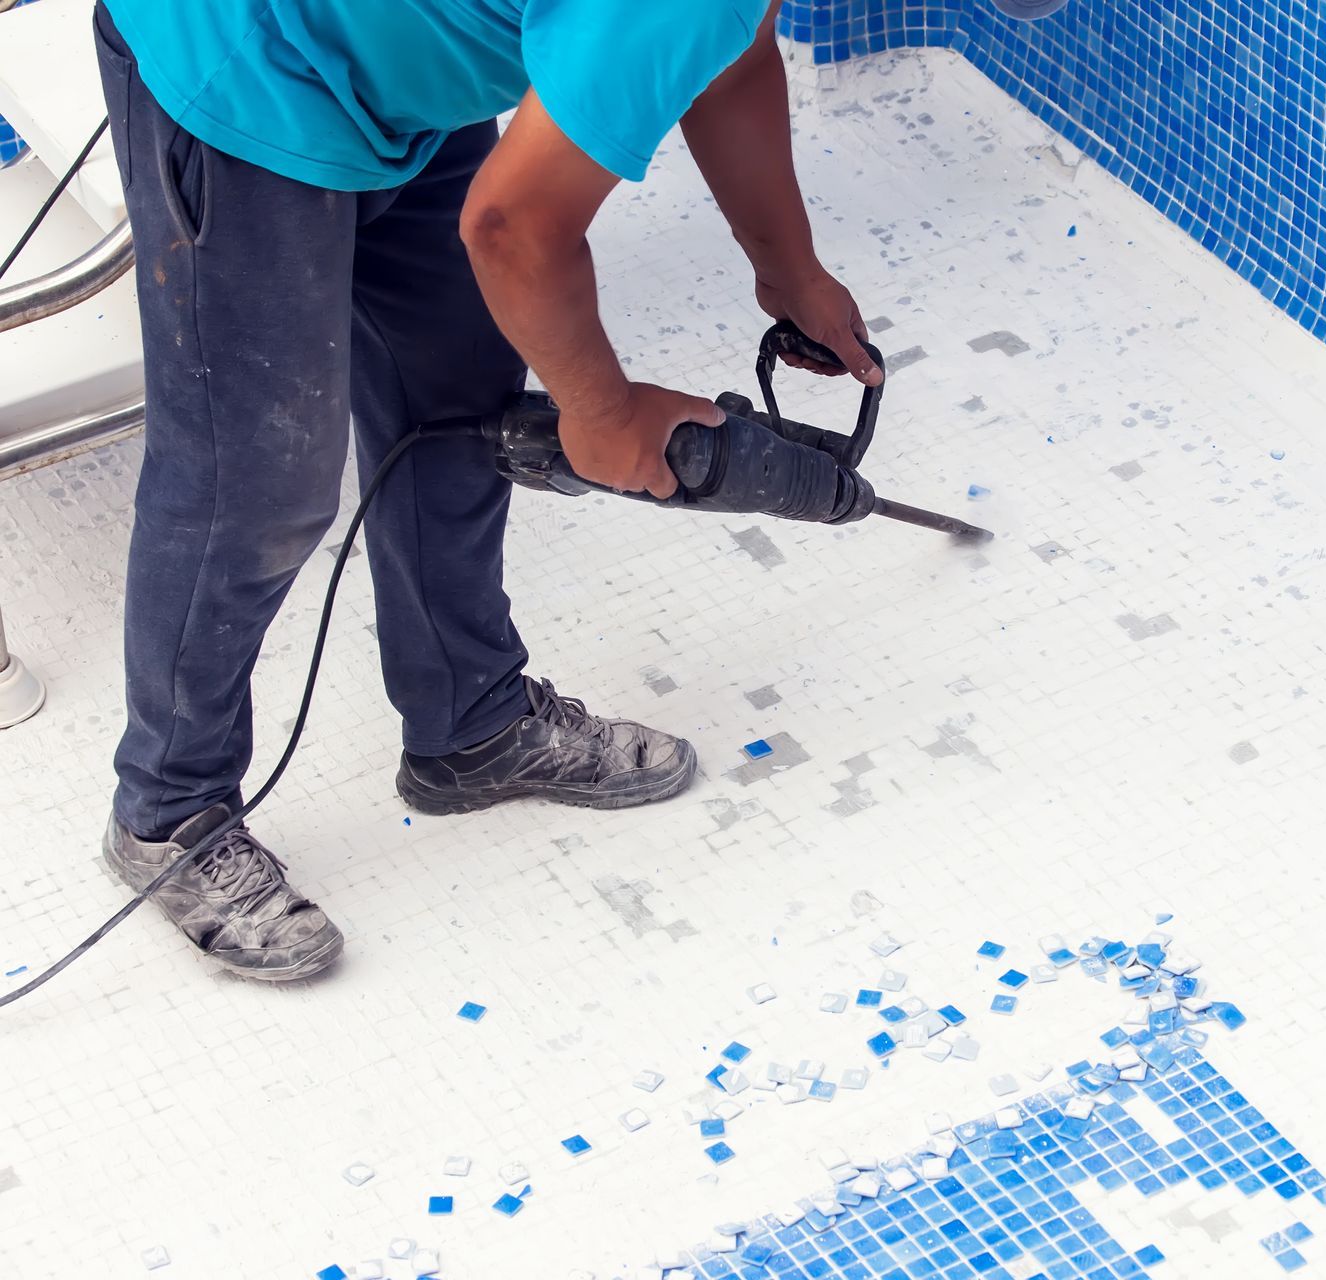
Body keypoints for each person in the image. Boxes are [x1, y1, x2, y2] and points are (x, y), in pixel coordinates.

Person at [89, 0, 883, 983]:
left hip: (385, 64)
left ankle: (469, 721)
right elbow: (510, 226)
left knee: (457, 391)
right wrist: (601, 412)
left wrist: (788, 268)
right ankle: (167, 811)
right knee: (256, 482)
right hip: (241, 59)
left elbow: (733, 52)